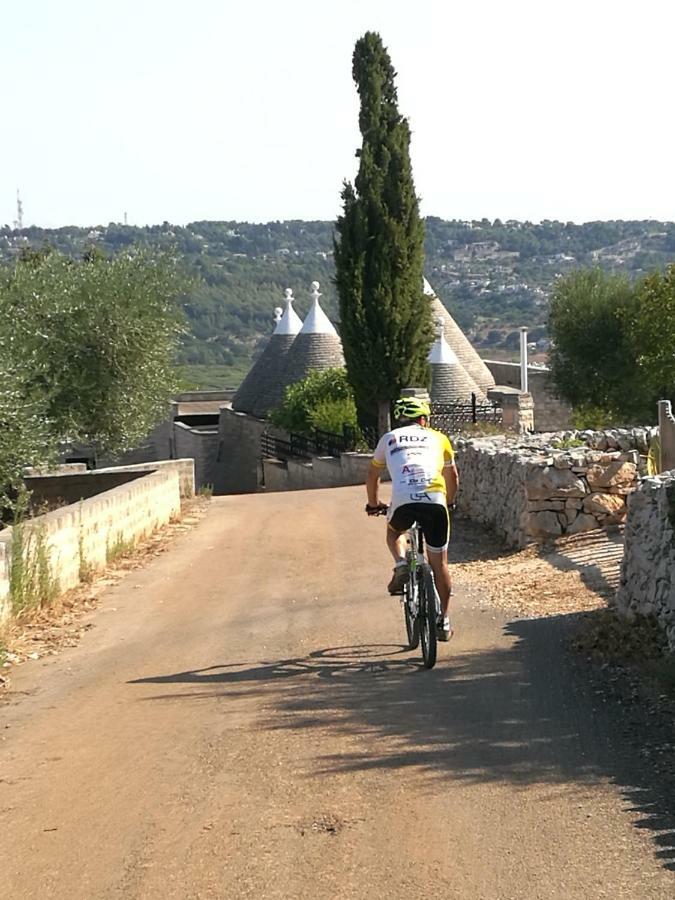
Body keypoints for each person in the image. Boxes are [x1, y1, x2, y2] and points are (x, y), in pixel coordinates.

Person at [365, 396, 458, 641]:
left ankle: (401, 564)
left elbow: (372, 474)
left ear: (401, 419)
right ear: (424, 419)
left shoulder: (389, 438)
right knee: (440, 565)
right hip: (435, 499)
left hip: (404, 500)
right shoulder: (439, 438)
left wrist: (373, 504)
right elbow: (453, 477)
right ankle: (444, 620)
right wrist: (449, 503)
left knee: (394, 532)